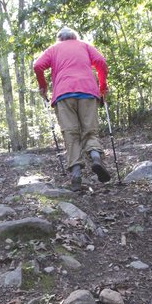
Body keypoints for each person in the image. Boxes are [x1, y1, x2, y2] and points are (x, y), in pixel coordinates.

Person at [33, 27, 110, 191]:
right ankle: (95, 157)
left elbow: (38, 65)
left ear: (59, 38)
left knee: (71, 133)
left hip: (63, 94)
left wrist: (43, 86)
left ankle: (76, 174)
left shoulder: (53, 49)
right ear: (75, 36)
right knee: (90, 131)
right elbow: (101, 63)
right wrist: (103, 86)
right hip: (88, 92)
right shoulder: (85, 45)